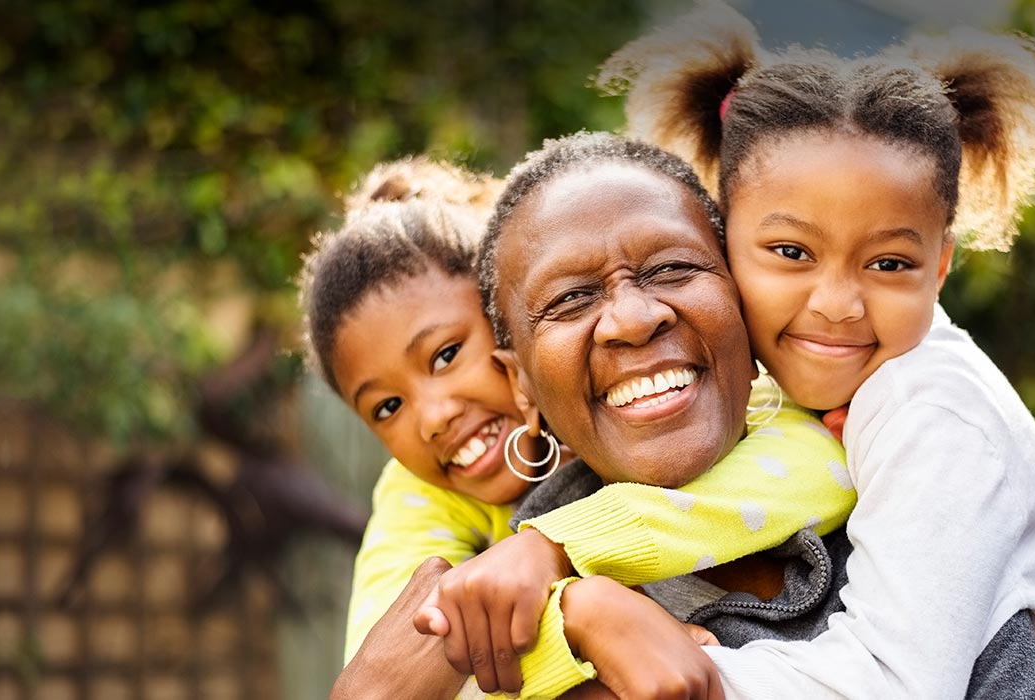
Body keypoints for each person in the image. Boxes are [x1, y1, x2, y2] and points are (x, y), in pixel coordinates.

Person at [585, 3, 1035, 698]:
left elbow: (894, 683)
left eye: (890, 265)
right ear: (720, 243)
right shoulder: (750, 388)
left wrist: (682, 666)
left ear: (939, 268)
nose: (838, 303)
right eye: (792, 252)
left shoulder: (931, 412)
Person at [468, 131, 1035, 700]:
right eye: (569, 299)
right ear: (521, 384)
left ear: (743, 300)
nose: (634, 318)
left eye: (672, 268)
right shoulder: (504, 618)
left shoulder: (908, 476)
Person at [300, 156, 857, 698]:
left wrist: (560, 549)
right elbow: (396, 664)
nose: (434, 415)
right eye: (386, 407)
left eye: (447, 355)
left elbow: (818, 466)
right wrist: (575, 622)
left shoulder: (757, 402)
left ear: (504, 332)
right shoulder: (417, 493)